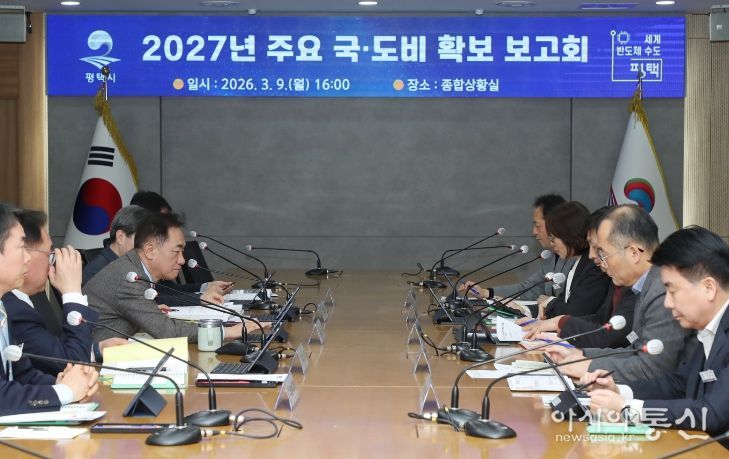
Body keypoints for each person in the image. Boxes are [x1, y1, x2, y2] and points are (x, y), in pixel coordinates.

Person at [586, 226, 729, 441]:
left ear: (708, 288)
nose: (667, 303)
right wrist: (619, 391)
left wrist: (628, 409)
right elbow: (678, 385)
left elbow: (712, 414)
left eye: (672, 291)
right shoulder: (710, 327)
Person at [544, 205, 697, 381]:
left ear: (634, 253)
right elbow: (635, 350)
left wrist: (588, 365)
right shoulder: (645, 283)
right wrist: (581, 354)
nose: (598, 261)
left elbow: (651, 368)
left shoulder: (661, 291)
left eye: (603, 253)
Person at [85, 212, 260, 342]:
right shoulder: (130, 278)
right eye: (176, 251)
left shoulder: (133, 268)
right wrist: (227, 332)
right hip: (95, 366)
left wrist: (150, 312)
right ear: (150, 251)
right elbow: (166, 331)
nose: (182, 260)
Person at [0, 203, 98, 415]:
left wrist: (63, 383)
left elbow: (22, 374)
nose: (27, 258)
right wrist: (65, 391)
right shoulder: (11, 308)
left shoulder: (2, 308)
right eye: (21, 248)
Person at [3, 210, 126, 375]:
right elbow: (70, 364)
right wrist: (72, 292)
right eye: (50, 254)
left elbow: (53, 353)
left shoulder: (31, 297)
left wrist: (97, 350)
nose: (53, 263)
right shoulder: (11, 308)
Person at [522, 207, 637, 348]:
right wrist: (556, 322)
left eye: (599, 249)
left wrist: (560, 323)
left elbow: (581, 315)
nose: (592, 255)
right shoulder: (615, 277)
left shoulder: (639, 285)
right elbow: (601, 319)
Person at [462, 194, 575, 301]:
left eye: (538, 226)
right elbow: (528, 289)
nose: (534, 232)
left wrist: (549, 303)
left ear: (555, 223)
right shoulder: (551, 259)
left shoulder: (577, 259)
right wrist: (485, 292)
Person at [532, 201, 610, 319]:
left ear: (568, 235)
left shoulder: (594, 266)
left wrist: (549, 302)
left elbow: (575, 312)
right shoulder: (578, 263)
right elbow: (563, 302)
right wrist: (522, 309)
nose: (552, 244)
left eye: (553, 239)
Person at [82, 205, 150, 286]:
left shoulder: (130, 265)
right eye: (142, 240)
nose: (148, 248)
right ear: (120, 237)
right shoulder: (97, 274)